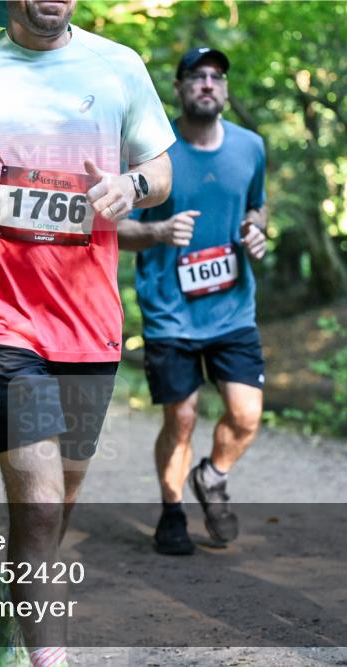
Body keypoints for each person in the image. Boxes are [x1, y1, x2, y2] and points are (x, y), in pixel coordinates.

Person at [0, 1, 173, 665]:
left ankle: (8, 592)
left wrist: (130, 186)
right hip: (2, 318)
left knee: (60, 500)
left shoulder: (120, 67)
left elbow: (161, 173)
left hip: (90, 323)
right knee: (42, 504)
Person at [117, 46, 268, 555]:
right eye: (196, 76)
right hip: (169, 311)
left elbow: (257, 208)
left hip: (232, 309)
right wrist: (157, 230)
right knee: (180, 418)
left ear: (224, 90)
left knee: (246, 416)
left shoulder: (251, 147)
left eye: (216, 77)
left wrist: (256, 231)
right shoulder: (152, 152)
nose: (207, 83)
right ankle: (172, 509)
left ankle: (213, 474)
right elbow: (113, 227)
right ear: (178, 89)